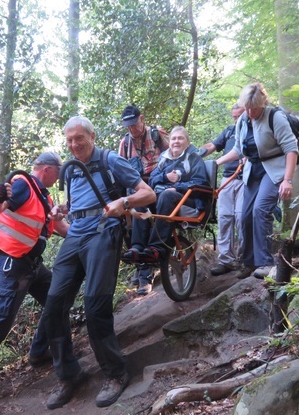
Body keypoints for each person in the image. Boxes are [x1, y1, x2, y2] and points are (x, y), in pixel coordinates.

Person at [40, 116, 156, 410]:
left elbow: (148, 193)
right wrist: (62, 209)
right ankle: (69, 375)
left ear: (92, 135)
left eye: (79, 138)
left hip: (104, 231)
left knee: (95, 306)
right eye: (68, 140)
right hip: (74, 235)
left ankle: (116, 374)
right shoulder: (72, 170)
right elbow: (76, 203)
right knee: (53, 306)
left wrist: (124, 203)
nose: (74, 144)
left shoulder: (111, 160)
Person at [0, 152, 70, 413]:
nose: (60, 175)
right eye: (59, 170)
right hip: (14, 267)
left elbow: (63, 229)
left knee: (57, 299)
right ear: (46, 169)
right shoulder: (23, 185)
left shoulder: (44, 198)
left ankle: (38, 352)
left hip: (33, 266)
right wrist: (1, 198)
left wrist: (91, 230)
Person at [215, 83, 298, 279]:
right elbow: (238, 150)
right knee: (244, 215)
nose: (251, 112)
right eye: (247, 108)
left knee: (260, 209)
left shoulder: (274, 117)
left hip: (274, 169)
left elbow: (291, 149)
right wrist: (216, 162)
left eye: (254, 108)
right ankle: (249, 262)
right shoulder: (243, 120)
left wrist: (288, 180)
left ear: (263, 103)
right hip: (252, 169)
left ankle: (265, 262)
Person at [125, 126, 208, 269]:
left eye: (180, 138)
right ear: (169, 142)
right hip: (165, 200)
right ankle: (137, 246)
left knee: (167, 194)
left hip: (189, 201)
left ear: (187, 143)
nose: (176, 141)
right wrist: (165, 176)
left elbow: (201, 182)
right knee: (141, 198)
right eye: (174, 138)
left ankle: (156, 247)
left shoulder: (194, 158)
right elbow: (152, 179)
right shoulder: (164, 159)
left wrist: (178, 187)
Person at [118, 105, 169, 295]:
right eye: (128, 126)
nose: (132, 129)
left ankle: (145, 275)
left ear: (142, 119)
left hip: (158, 186)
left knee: (144, 212)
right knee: (126, 222)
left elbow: (176, 156)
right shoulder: (125, 143)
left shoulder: (157, 135)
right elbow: (120, 169)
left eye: (134, 124)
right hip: (137, 188)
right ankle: (140, 264)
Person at [198, 103, 246, 276]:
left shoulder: (252, 129)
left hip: (244, 179)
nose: (237, 119)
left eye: (239, 115)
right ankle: (225, 260)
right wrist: (196, 155)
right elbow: (212, 146)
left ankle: (243, 259)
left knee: (241, 217)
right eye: (234, 116)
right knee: (225, 218)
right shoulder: (229, 131)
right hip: (227, 178)